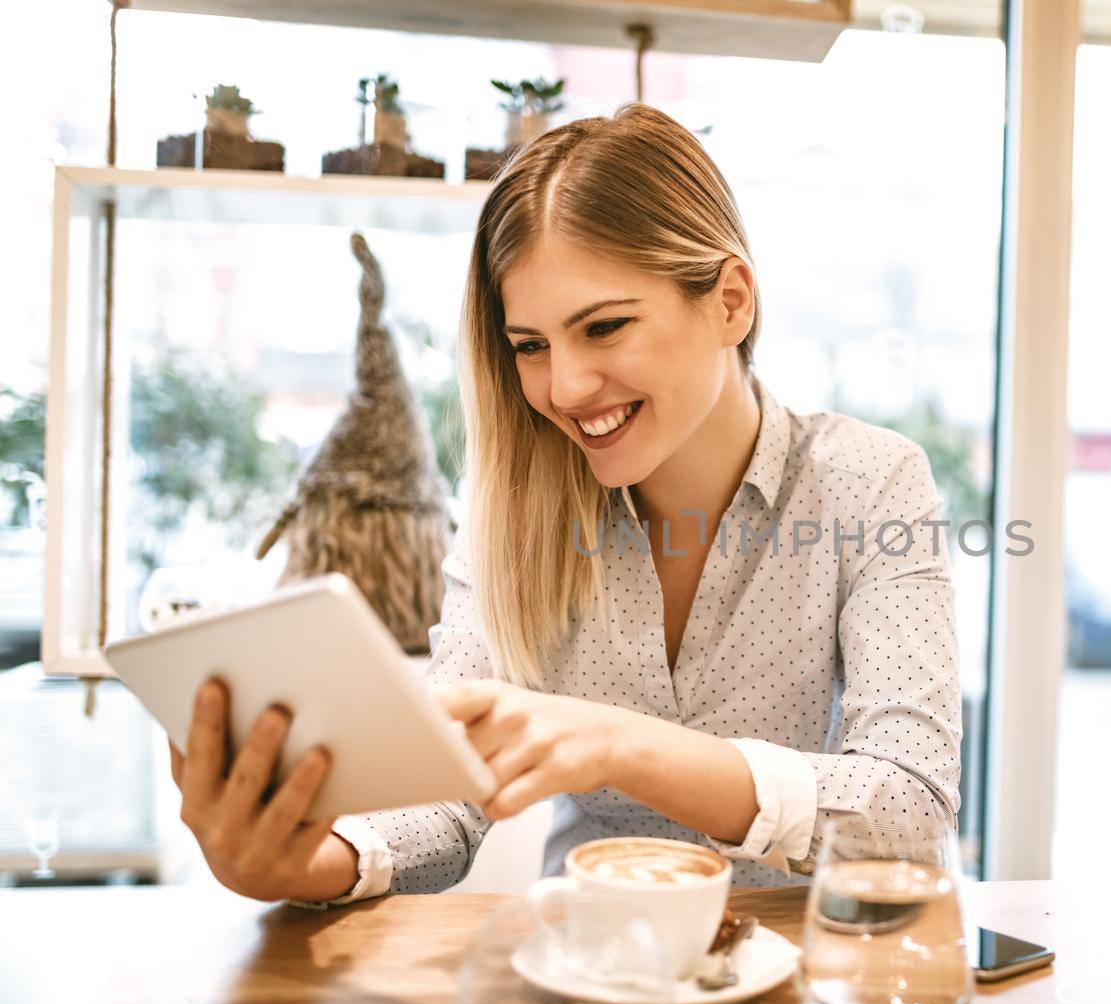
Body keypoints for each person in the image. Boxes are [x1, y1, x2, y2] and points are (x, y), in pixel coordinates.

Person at [167, 102, 963, 904]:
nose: (565, 387)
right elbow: (445, 792)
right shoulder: (515, 506)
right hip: (582, 969)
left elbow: (910, 811)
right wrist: (316, 857)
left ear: (730, 302)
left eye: (605, 326)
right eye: (531, 347)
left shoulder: (870, 481)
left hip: (802, 971)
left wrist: (621, 744)